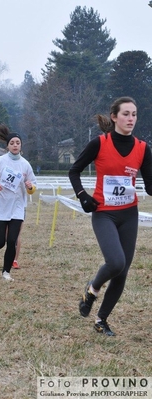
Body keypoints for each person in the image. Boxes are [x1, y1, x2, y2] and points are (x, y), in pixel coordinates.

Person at [69, 96, 152, 336]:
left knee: (122, 272)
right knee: (116, 262)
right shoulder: (99, 143)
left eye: (134, 114)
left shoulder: (143, 148)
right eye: (126, 114)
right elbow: (74, 171)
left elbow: (150, 186)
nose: (131, 119)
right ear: (114, 117)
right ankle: (92, 290)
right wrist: (83, 195)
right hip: (104, 213)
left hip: (129, 214)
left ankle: (101, 320)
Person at [0, 124, 36, 281]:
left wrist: (30, 187)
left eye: (18, 142)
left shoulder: (25, 164)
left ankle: (6, 272)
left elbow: (33, 186)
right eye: (12, 143)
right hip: (0, 206)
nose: (15, 145)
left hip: (17, 207)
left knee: (12, 240)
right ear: (8, 146)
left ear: (21, 145)